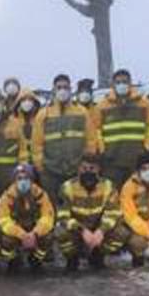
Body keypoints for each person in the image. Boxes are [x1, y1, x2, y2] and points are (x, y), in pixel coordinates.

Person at [32, 73, 101, 205]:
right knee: (53, 206)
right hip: (51, 172)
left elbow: (91, 140)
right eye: (59, 87)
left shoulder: (81, 112)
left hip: (76, 170)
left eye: (65, 87)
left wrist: (87, 165)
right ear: (54, 90)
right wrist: (41, 168)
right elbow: (37, 145)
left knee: (76, 205)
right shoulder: (43, 115)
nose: (62, 90)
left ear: (70, 90)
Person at [55, 155, 127, 272]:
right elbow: (63, 216)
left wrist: (101, 230)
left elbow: (113, 213)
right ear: (78, 169)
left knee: (122, 232)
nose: (87, 171)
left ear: (99, 169)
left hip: (99, 230)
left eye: (92, 168)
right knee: (60, 232)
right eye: (84, 168)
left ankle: (98, 255)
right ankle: (72, 258)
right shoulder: (67, 187)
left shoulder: (108, 186)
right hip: (77, 230)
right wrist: (82, 230)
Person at [97, 69, 149, 188]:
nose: (121, 85)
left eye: (124, 81)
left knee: (136, 194)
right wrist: (103, 150)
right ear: (113, 84)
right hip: (112, 161)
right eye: (118, 82)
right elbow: (96, 129)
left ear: (130, 83)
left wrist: (146, 146)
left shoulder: (143, 103)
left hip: (136, 159)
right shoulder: (102, 105)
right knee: (113, 195)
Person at [0, 164, 55, 274]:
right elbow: (3, 220)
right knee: (6, 240)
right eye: (19, 178)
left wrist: (35, 233)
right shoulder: (7, 196)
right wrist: (21, 235)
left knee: (48, 236)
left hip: (34, 231)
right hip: (16, 233)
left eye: (26, 178)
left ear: (32, 180)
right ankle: (13, 260)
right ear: (14, 180)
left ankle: (36, 260)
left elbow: (48, 218)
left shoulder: (40, 194)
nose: (23, 181)